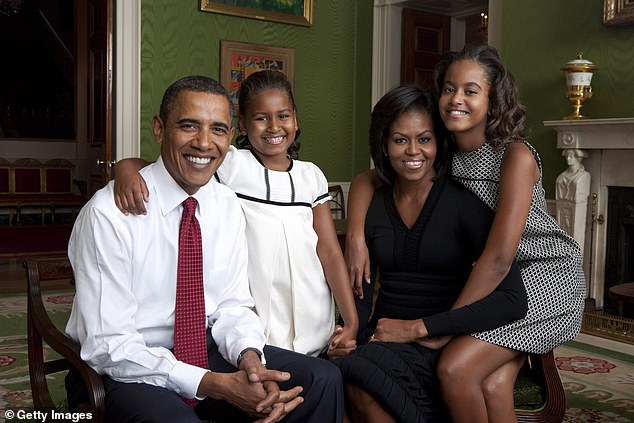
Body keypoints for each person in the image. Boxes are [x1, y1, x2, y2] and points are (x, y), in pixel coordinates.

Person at [65, 75, 344, 423]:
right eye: (188, 126)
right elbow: (109, 345)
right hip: (124, 367)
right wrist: (217, 385)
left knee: (322, 380)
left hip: (204, 348)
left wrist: (250, 360)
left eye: (218, 130)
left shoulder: (225, 203)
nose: (204, 143)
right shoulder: (109, 214)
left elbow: (232, 305)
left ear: (230, 137)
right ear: (159, 129)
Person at [345, 44, 586, 423]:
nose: (456, 99)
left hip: (544, 276)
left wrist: (441, 327)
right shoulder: (446, 151)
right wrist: (356, 233)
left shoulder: (515, 156)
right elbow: (369, 179)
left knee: (454, 368)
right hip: (501, 281)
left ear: (493, 100)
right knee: (493, 385)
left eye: (471, 91)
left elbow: (499, 258)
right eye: (448, 89)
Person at [113, 70, 358, 359]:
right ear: (241, 125)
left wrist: (351, 321)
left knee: (318, 377)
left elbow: (329, 252)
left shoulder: (311, 176)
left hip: (312, 305)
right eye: (261, 118)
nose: (274, 127)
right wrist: (124, 169)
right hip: (258, 311)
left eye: (283, 116)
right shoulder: (232, 164)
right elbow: (166, 167)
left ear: (295, 120)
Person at [334, 84, 528, 423]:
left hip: (439, 341)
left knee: (360, 376)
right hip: (384, 335)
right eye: (399, 140)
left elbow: (512, 299)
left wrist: (424, 329)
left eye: (424, 139)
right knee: (346, 372)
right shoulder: (374, 204)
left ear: (438, 144)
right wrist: (348, 330)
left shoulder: (463, 204)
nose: (413, 151)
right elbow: (361, 286)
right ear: (383, 144)